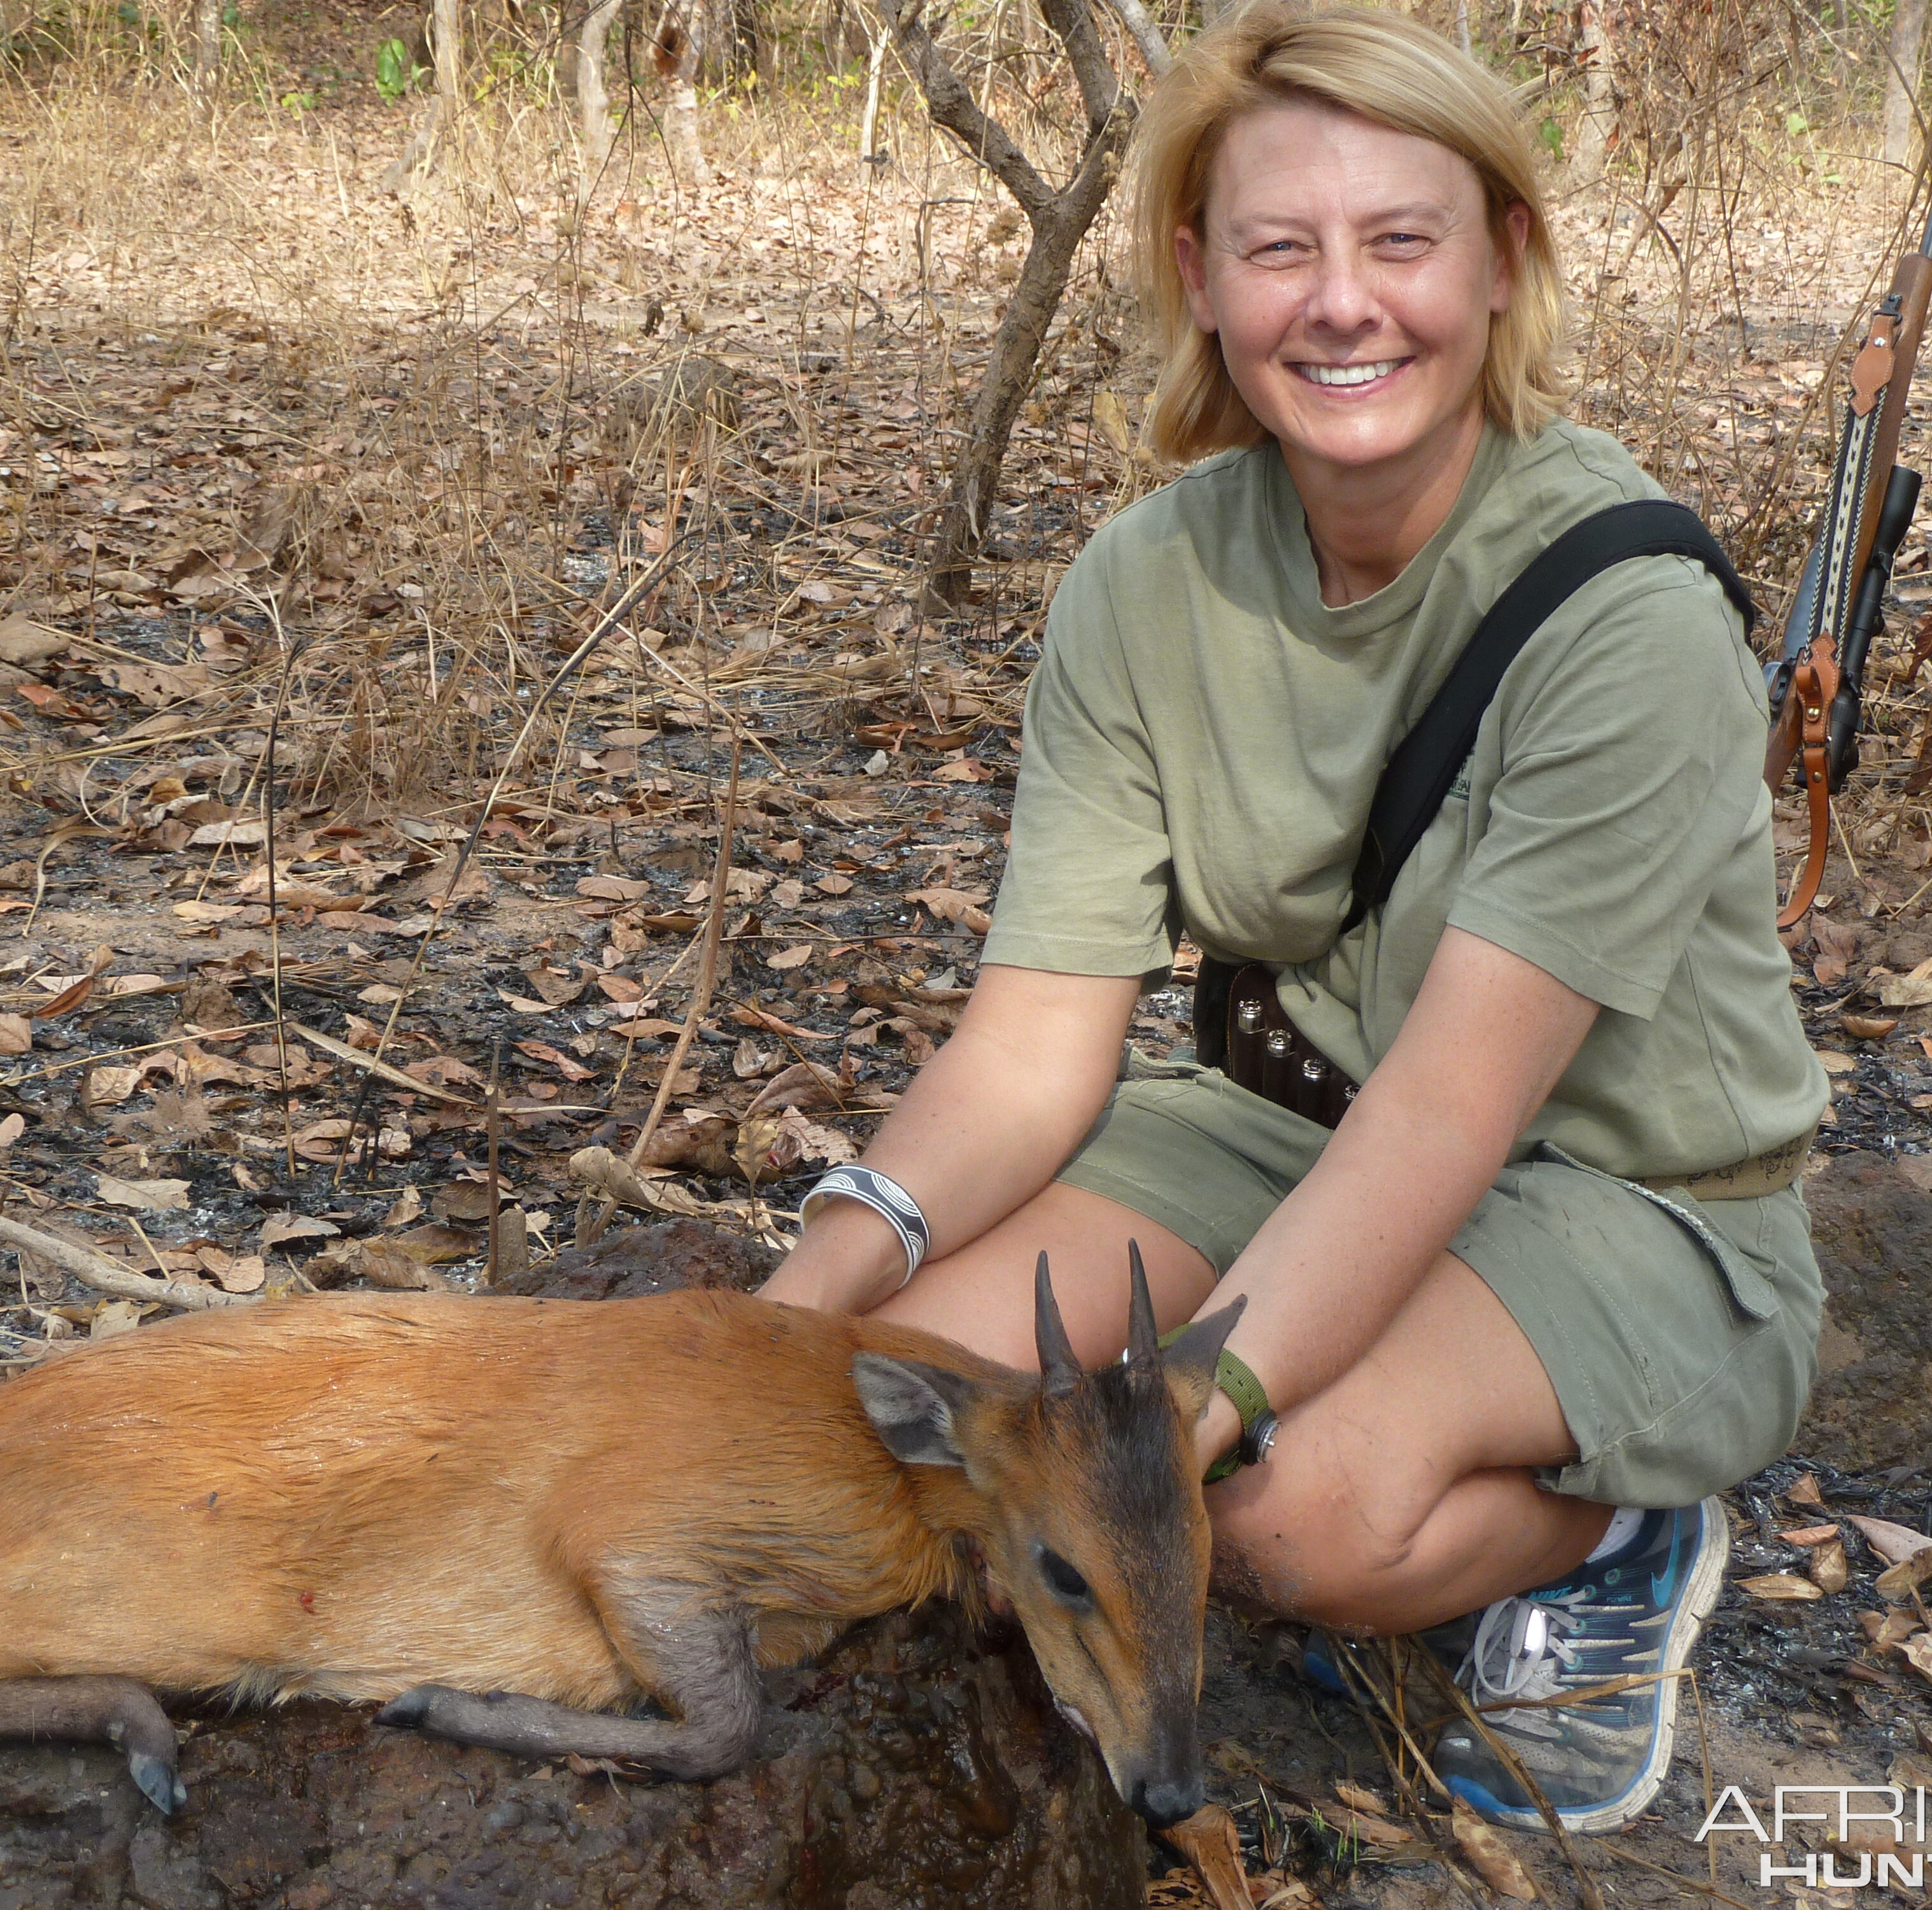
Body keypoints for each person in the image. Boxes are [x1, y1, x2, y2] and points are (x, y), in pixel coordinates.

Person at [758, 0, 1827, 1836]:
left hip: (1631, 1194)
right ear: (1201, 278)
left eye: (1401, 241)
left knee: (1270, 1508)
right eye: (1282, 249)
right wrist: (786, 1318)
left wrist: (1189, 1413)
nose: (1344, 303)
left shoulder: (1625, 612)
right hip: (1277, 1126)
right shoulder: (1141, 583)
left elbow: (1449, 1115)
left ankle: (1622, 1527)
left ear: (1501, 260)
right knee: (923, 1411)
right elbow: (1032, 1048)